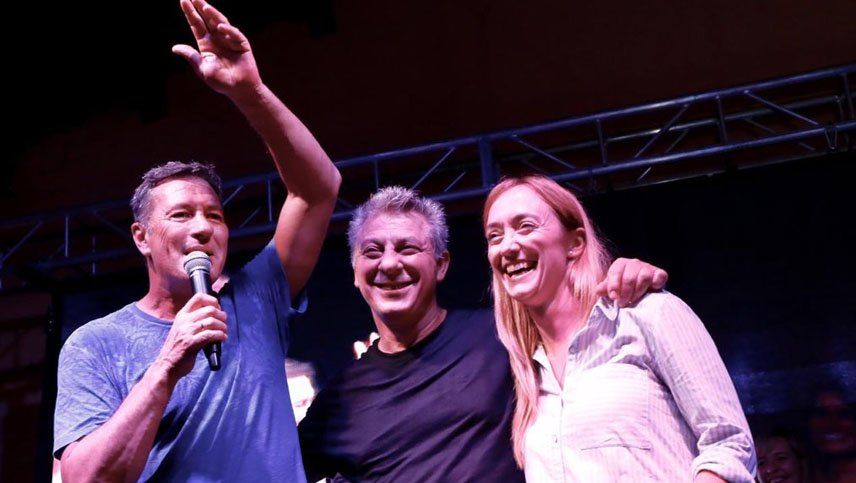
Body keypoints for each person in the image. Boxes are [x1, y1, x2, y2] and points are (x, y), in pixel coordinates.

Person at [52, 0, 341, 480]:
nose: (203, 227)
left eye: (214, 216)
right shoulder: (96, 344)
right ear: (142, 238)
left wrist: (249, 92)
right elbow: (85, 477)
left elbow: (318, 190)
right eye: (181, 215)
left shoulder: (257, 300)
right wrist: (168, 364)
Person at [298, 186, 667, 481]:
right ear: (355, 271)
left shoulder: (504, 334)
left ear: (441, 265)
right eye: (372, 251)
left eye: (407, 248)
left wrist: (627, 275)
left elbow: (579, 321)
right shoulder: (339, 402)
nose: (390, 263)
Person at [482, 175, 755, 482]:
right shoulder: (525, 368)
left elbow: (730, 444)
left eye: (525, 226)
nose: (508, 246)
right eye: (495, 236)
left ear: (575, 243)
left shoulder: (648, 315)